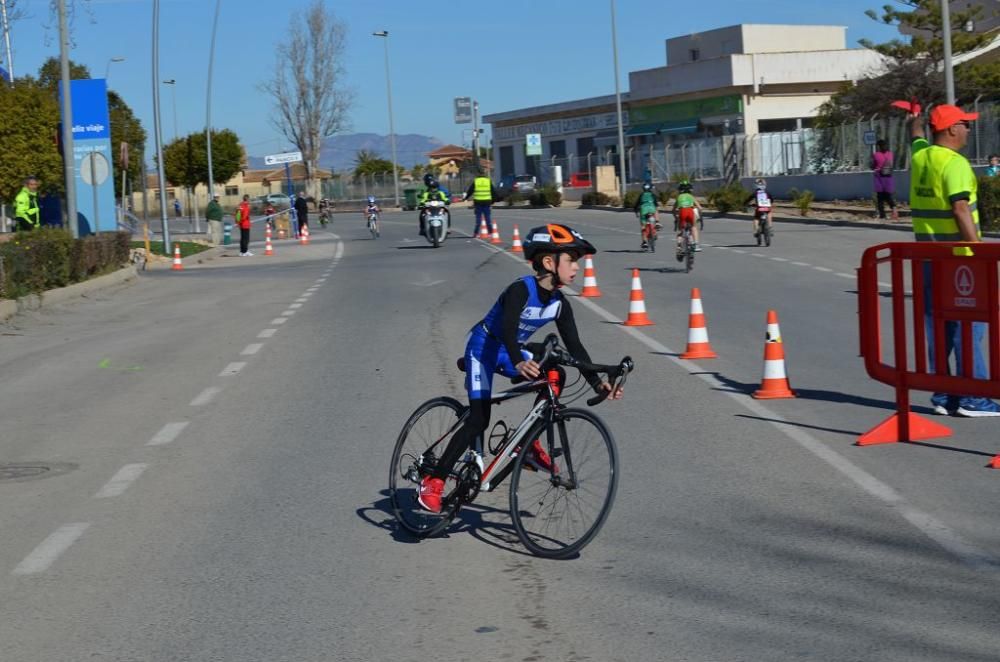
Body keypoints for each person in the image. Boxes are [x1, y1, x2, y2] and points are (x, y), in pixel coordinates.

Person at [417, 223, 624, 513]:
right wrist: (518, 360)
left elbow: (576, 348)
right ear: (550, 262)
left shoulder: (560, 304)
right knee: (479, 419)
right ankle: (434, 480)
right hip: (483, 349)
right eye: (572, 259)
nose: (577, 267)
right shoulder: (521, 290)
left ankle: (527, 442)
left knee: (557, 369)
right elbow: (507, 327)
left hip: (510, 353)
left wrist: (597, 382)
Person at [909, 103, 999, 417]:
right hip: (961, 259)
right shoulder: (955, 163)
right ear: (951, 129)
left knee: (939, 325)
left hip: (929, 256)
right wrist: (980, 252)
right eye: (966, 123)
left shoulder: (921, 156)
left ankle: (945, 394)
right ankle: (974, 397)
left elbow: (917, 138)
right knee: (969, 324)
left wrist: (915, 123)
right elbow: (961, 209)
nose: (969, 129)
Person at [463, 167, 499, 235]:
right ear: (484, 173)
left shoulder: (476, 181)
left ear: (478, 174)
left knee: (478, 219)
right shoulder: (488, 181)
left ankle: (476, 233)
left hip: (478, 202)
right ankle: (490, 232)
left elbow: (470, 191)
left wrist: (465, 198)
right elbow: (493, 191)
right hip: (487, 201)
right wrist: (494, 200)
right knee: (487, 218)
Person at [672, 180, 703, 256]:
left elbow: (673, 210)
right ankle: (696, 244)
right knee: (693, 227)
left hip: (682, 212)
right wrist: (700, 217)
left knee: (681, 231)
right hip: (690, 212)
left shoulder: (679, 197)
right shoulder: (691, 196)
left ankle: (679, 246)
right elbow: (700, 208)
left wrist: (676, 217)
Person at [871, 140, 899, 220]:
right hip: (888, 176)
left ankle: (883, 215)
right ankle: (893, 208)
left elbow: (873, 165)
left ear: (878, 147)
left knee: (880, 197)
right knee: (888, 195)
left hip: (879, 177)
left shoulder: (876, 155)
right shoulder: (890, 154)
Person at [633, 182, 659, 250]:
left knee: (643, 226)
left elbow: (636, 205)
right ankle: (657, 222)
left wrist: (636, 212)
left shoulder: (641, 195)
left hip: (643, 210)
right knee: (656, 210)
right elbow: (656, 204)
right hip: (652, 209)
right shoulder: (652, 195)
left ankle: (644, 242)